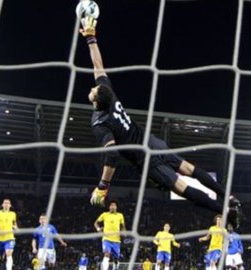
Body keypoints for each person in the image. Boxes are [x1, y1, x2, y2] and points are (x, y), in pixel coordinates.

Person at [77, 13, 241, 227]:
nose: (92, 87)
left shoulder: (99, 122)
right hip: (154, 143)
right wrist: (91, 38)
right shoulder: (109, 93)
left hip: (146, 159)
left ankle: (226, 212)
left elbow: (112, 155)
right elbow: (98, 64)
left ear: (96, 101)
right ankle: (228, 196)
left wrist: (102, 186)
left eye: (94, 90)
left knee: (184, 188)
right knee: (190, 169)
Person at [94, 200, 125, 270]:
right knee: (107, 254)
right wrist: (98, 229)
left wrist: (123, 232)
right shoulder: (104, 214)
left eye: (114, 205)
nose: (113, 206)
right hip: (106, 239)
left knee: (116, 259)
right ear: (109, 207)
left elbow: (123, 226)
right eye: (111, 205)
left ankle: (116, 266)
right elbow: (95, 223)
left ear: (116, 207)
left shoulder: (120, 215)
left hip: (116, 240)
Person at [0, 198, 18, 270]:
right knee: (1, 257)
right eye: (5, 203)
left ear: (10, 205)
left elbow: (14, 224)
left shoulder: (13, 214)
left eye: (8, 203)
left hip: (10, 238)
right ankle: (1, 257)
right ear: (2, 205)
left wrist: (16, 228)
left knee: (9, 254)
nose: (6, 204)